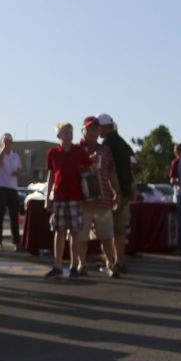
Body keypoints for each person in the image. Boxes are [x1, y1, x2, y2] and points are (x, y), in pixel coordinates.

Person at [44, 121, 90, 279]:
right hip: (59, 197)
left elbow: (89, 167)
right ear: (58, 136)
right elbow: (51, 175)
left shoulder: (79, 150)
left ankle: (74, 266)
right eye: (65, 133)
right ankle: (57, 265)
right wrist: (47, 197)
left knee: (75, 232)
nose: (69, 135)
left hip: (75, 196)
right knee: (59, 231)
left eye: (70, 132)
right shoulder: (53, 153)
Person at [75, 116, 119, 276]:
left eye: (95, 129)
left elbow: (112, 172)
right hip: (82, 200)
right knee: (81, 236)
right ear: (82, 131)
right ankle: (82, 264)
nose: (92, 132)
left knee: (107, 235)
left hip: (103, 199)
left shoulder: (105, 150)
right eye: (89, 128)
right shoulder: (76, 149)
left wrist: (116, 191)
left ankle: (110, 264)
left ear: (99, 131)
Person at [97, 114, 135, 273]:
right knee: (119, 229)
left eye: (99, 127)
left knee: (109, 229)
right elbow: (135, 165)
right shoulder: (123, 143)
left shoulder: (107, 145)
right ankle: (120, 260)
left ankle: (111, 261)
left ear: (105, 127)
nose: (97, 130)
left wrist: (114, 191)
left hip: (114, 192)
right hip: (125, 190)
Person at [0, 133, 22, 252]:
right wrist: (4, 148)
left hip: (12, 188)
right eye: (5, 141)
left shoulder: (15, 156)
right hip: (0, 187)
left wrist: (17, 173)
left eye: (9, 141)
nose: (8, 143)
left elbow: (19, 168)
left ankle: (16, 242)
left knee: (14, 216)